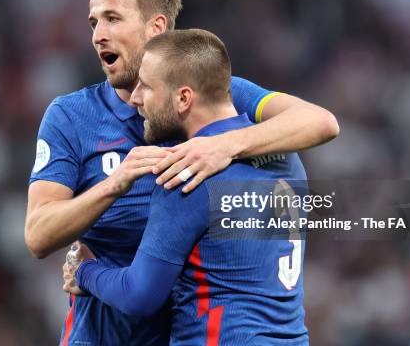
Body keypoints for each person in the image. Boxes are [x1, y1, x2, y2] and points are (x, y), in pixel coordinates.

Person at [26, 0, 336, 345]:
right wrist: (112, 186)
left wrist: (223, 145)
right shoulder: (71, 116)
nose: (98, 36)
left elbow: (320, 122)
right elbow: (38, 235)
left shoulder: (216, 92)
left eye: (112, 19)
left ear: (156, 28)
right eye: (93, 23)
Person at [63, 29, 309, 345]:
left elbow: (139, 296)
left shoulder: (188, 176)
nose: (135, 97)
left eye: (147, 87)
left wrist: (85, 271)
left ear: (183, 98)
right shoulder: (287, 156)